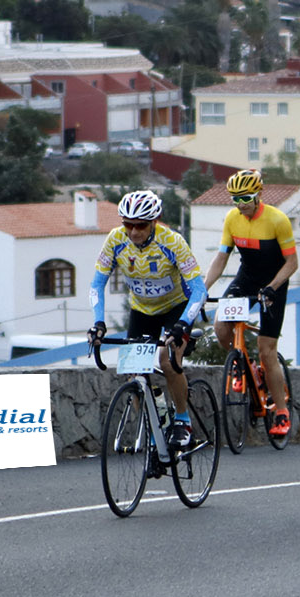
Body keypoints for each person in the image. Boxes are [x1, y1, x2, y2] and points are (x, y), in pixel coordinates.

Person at [89, 189, 206, 450]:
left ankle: (183, 421)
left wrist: (183, 324)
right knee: (134, 373)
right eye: (128, 225)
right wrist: (98, 323)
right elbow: (97, 284)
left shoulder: (172, 241)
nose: (133, 232)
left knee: (168, 360)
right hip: (142, 310)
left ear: (154, 221)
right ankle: (156, 430)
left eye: (140, 225)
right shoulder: (115, 239)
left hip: (176, 308)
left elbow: (199, 290)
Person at [200, 170, 299, 438]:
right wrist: (203, 288)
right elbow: (221, 258)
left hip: (274, 282)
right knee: (221, 328)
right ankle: (244, 366)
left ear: (258, 195)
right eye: (235, 199)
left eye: (245, 198)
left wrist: (272, 287)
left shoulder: (277, 220)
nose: (240, 204)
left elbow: (292, 263)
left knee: (267, 350)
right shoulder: (232, 218)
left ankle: (281, 411)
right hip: (247, 278)